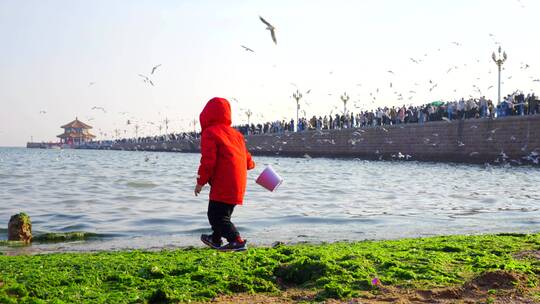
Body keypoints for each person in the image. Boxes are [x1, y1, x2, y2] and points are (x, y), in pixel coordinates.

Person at [195, 97, 255, 252]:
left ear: (206, 115)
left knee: (216, 216)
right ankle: (215, 239)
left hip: (223, 183)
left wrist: (201, 182)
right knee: (223, 214)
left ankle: (236, 240)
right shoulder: (237, 135)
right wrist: (251, 165)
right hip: (238, 184)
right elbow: (247, 160)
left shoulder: (210, 133)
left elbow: (208, 161)